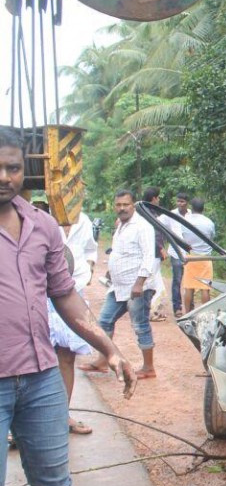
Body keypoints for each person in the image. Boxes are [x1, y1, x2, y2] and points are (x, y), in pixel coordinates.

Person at [0, 128, 137, 486]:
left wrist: (110, 348)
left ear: (25, 170)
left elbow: (69, 301)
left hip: (38, 381)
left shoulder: (42, 227)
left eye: (13, 167)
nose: (5, 176)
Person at [30, 197, 99, 436]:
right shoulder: (40, 217)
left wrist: (89, 267)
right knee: (35, 356)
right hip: (42, 294)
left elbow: (91, 248)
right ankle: (23, 425)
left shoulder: (84, 221)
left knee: (66, 357)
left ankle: (62, 416)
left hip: (73, 290)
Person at [82, 189, 158, 379]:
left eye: (126, 204)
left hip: (137, 287)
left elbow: (149, 256)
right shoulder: (121, 225)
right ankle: (102, 361)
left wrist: (139, 283)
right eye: (118, 205)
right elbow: (120, 252)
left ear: (133, 205)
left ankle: (148, 367)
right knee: (105, 321)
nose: (122, 208)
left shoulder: (143, 226)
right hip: (118, 287)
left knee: (140, 325)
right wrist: (111, 270)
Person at [182, 197, 216, 313]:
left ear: (191, 208)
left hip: (191, 257)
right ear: (203, 208)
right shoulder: (208, 222)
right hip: (205, 258)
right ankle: (205, 313)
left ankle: (187, 313)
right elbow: (211, 238)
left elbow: (183, 237)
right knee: (205, 288)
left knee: (188, 287)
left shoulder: (185, 221)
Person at [142, 187, 168, 322]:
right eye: (158, 198)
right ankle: (152, 312)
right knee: (155, 285)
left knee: (155, 284)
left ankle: (154, 311)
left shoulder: (142, 213)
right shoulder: (151, 216)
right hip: (152, 254)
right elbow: (155, 234)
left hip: (147, 254)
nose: (159, 200)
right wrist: (161, 248)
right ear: (153, 199)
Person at [166, 193, 190, 318]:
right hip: (176, 252)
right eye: (178, 201)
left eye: (182, 201)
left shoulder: (191, 215)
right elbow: (161, 226)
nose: (180, 204)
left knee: (190, 281)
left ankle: (189, 307)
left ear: (187, 202)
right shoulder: (171, 214)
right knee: (177, 280)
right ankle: (177, 307)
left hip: (189, 253)